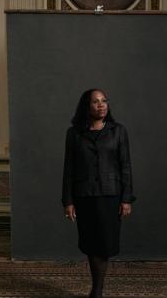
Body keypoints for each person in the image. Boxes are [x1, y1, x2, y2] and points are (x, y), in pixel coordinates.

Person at [61, 88, 136, 298]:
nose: (101, 105)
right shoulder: (74, 133)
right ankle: (97, 289)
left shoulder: (118, 131)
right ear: (87, 106)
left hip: (110, 196)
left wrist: (126, 199)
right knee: (91, 243)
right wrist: (68, 201)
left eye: (104, 101)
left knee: (104, 243)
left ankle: (97, 290)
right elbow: (69, 169)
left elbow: (126, 166)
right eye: (95, 102)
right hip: (84, 196)